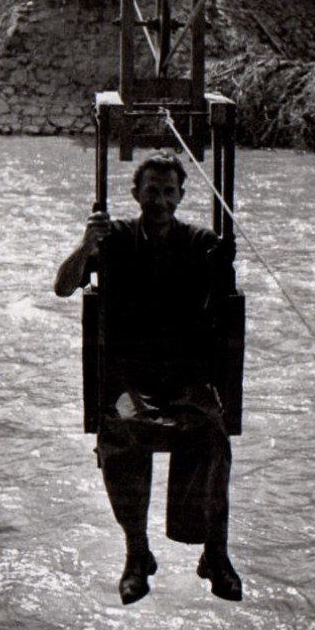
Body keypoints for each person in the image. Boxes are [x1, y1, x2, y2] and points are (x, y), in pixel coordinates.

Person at [54, 151, 242, 606]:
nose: (160, 200)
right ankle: (137, 554)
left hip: (184, 379)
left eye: (168, 191)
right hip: (130, 381)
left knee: (213, 434)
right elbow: (63, 286)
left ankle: (214, 553)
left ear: (180, 196)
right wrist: (85, 245)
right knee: (122, 432)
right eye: (151, 191)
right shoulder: (114, 238)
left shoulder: (198, 241)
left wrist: (223, 264)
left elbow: (220, 301)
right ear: (136, 194)